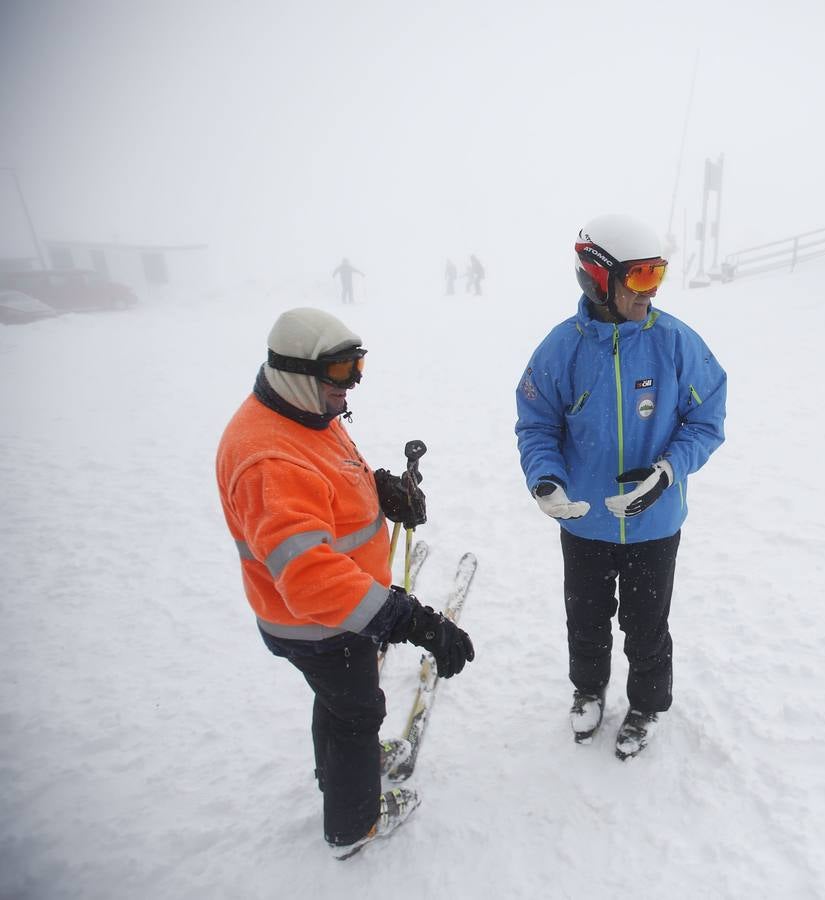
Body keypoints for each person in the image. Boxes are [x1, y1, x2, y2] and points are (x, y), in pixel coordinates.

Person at [216, 307, 475, 859]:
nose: (351, 386)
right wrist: (413, 620)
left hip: (331, 618)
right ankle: (354, 822)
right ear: (296, 373)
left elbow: (325, 489)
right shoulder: (268, 457)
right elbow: (312, 582)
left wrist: (378, 489)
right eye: (340, 374)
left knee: (337, 703)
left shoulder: (303, 414)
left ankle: (336, 772)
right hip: (319, 625)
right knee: (358, 709)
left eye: (357, 368)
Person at [515, 213, 727, 760]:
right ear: (597, 277)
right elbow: (537, 424)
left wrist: (668, 472)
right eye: (639, 277)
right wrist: (545, 480)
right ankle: (588, 690)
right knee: (585, 618)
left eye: (659, 273)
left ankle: (647, 704)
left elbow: (707, 421)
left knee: (646, 623)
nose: (650, 290)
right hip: (585, 519)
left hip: (655, 523)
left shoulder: (676, 343)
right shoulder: (561, 349)